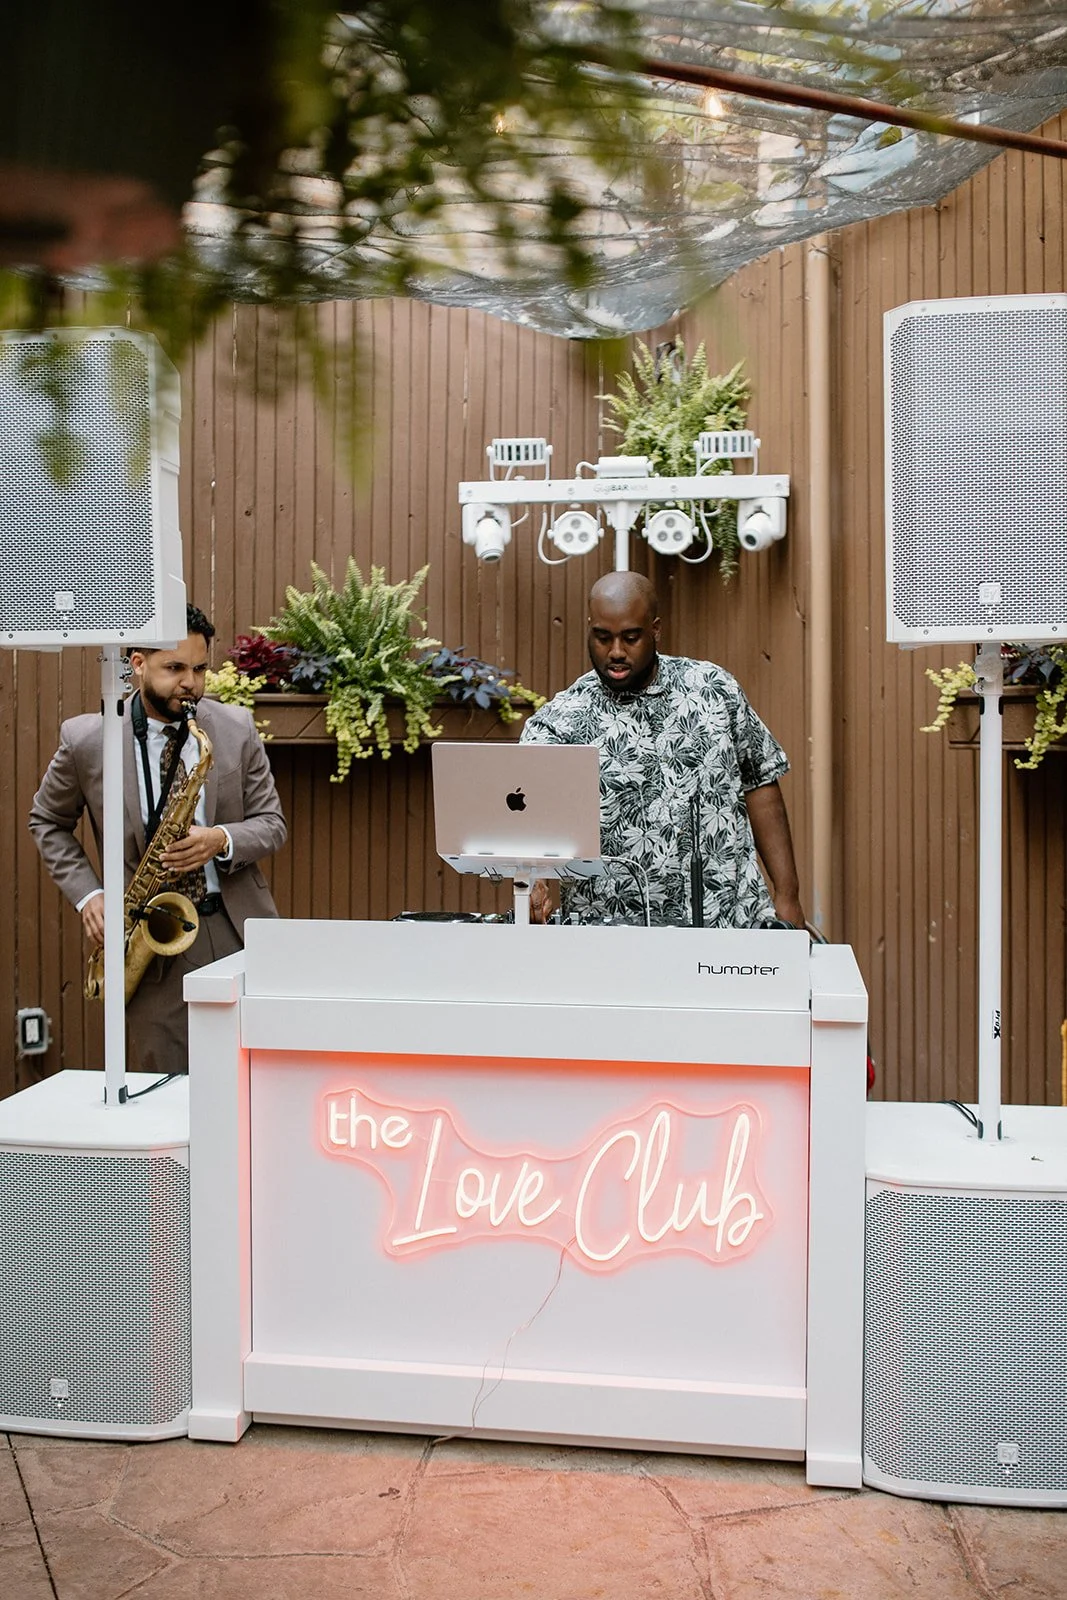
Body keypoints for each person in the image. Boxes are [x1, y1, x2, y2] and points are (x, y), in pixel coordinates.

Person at [30, 604, 287, 1074]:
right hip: (148, 941)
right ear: (138, 664)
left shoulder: (233, 728)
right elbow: (47, 821)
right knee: (161, 1087)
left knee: (248, 1077)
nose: (191, 682)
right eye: (175, 668)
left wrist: (220, 838)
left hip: (231, 930)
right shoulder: (88, 739)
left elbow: (272, 823)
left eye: (200, 668)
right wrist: (89, 894)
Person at [520, 572, 804, 929]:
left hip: (726, 923)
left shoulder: (713, 690)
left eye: (631, 637)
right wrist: (534, 882)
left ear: (655, 629)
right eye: (603, 638)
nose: (616, 652)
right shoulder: (559, 723)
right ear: (590, 628)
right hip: (609, 937)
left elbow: (759, 782)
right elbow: (528, 824)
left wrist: (787, 895)